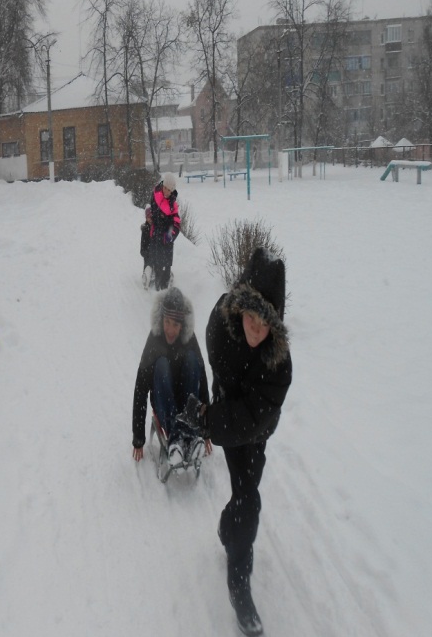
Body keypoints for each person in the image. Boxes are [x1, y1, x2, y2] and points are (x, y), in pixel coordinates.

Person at [176, 247, 292, 636]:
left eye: (266, 324)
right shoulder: (219, 325)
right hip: (227, 410)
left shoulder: (279, 365)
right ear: (240, 306)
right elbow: (217, 372)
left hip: (254, 430)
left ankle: (233, 550)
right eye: (252, 317)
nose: (256, 330)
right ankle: (236, 563)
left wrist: (209, 422)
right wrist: (212, 409)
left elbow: (253, 419)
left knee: (247, 495)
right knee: (247, 499)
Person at [131, 287, 212, 467]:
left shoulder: (189, 339)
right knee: (161, 365)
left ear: (182, 326)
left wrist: (206, 430)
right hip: (162, 402)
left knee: (192, 360)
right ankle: (177, 439)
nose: (170, 329)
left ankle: (190, 434)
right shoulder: (154, 340)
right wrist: (138, 438)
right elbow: (140, 389)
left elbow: (202, 381)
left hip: (187, 405)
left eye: (175, 325)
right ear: (162, 320)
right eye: (167, 322)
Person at [147, 172, 181, 291]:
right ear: (162, 185)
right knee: (157, 262)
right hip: (155, 233)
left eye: (169, 190)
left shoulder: (173, 205)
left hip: (166, 238)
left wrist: (170, 235)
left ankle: (166, 285)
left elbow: (176, 222)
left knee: (166, 263)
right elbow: (150, 207)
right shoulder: (156, 194)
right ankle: (157, 285)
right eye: (165, 188)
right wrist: (149, 214)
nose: (166, 191)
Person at [140, 204, 154, 288]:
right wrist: (143, 251)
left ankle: (153, 276)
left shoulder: (156, 227)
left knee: (155, 264)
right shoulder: (145, 228)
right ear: (146, 217)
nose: (150, 219)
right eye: (148, 217)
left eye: (151, 217)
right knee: (147, 264)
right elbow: (143, 242)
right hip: (147, 251)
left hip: (154, 250)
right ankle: (145, 276)